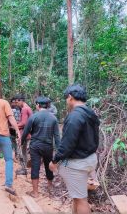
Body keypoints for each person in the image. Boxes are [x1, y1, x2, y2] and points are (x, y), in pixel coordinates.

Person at [49, 84, 99, 214]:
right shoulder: (90, 113)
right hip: (90, 158)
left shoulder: (74, 116)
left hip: (78, 163)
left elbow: (67, 145)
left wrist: (54, 161)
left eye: (66, 98)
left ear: (70, 97)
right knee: (77, 197)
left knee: (81, 199)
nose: (66, 101)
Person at [20, 97, 60, 198]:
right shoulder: (53, 118)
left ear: (38, 105)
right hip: (48, 146)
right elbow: (57, 136)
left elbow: (26, 131)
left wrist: (21, 142)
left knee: (35, 167)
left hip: (35, 146)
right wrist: (59, 151)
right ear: (48, 106)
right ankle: (50, 187)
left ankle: (35, 192)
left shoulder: (33, 117)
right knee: (48, 165)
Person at [14, 94, 33, 175]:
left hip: (24, 134)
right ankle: (24, 168)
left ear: (20, 101)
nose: (16, 104)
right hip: (28, 133)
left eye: (17, 102)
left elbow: (24, 123)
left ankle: (24, 169)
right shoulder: (28, 108)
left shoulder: (24, 109)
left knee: (21, 152)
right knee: (24, 151)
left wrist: (14, 125)